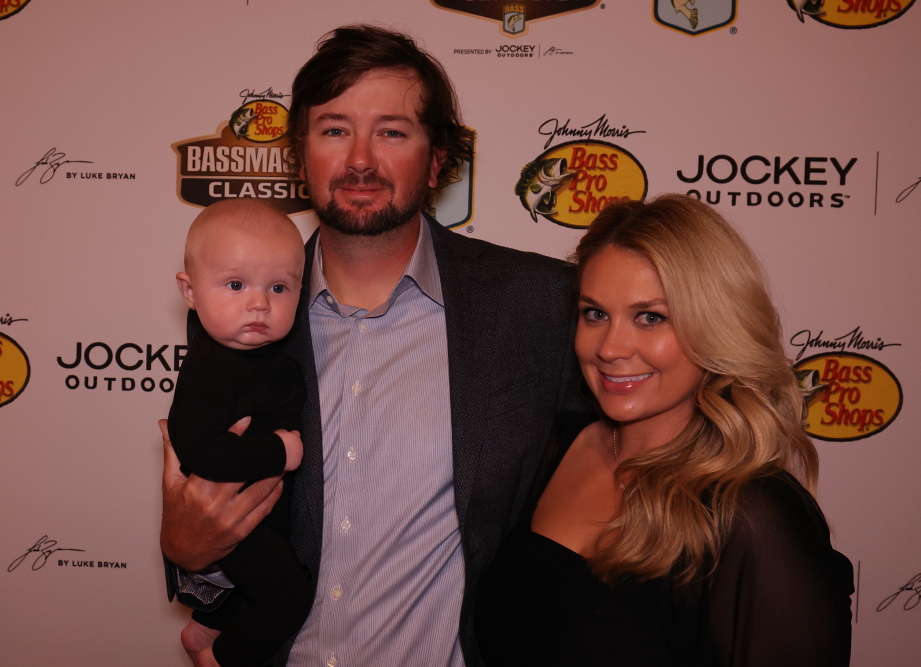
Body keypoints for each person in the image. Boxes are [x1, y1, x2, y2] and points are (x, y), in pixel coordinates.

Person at [159, 25, 587, 667]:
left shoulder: (537, 305)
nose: (360, 160)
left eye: (392, 132)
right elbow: (219, 529)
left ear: (437, 159)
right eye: (334, 130)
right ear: (299, 158)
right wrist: (190, 554)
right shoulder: (238, 317)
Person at [476, 194, 855, 667]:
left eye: (650, 317)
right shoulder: (559, 444)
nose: (610, 347)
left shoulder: (751, 514)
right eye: (595, 314)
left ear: (715, 327)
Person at [167, 200, 312, 667]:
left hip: (265, 512)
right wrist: (278, 451)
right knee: (287, 598)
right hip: (236, 519)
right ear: (190, 292)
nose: (259, 303)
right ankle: (222, 658)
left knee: (263, 585)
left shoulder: (269, 356)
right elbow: (199, 449)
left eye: (279, 287)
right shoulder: (209, 367)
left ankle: (204, 629)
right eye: (235, 285)